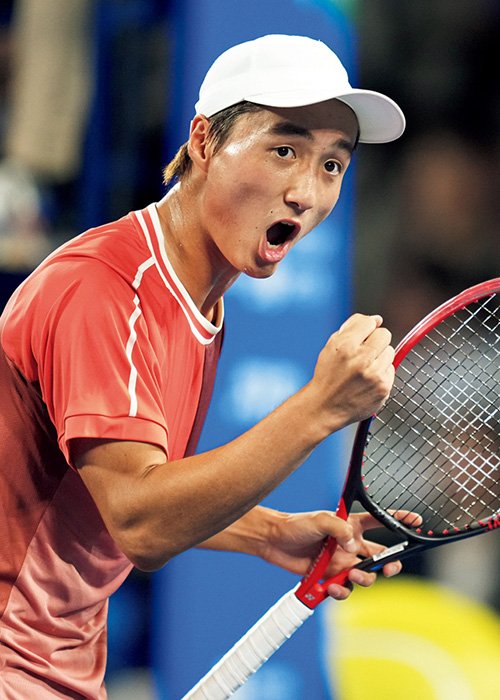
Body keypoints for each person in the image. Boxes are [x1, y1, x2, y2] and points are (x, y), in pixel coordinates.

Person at [0, 34, 406, 699]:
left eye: (333, 165)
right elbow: (141, 521)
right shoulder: (104, 290)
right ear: (203, 142)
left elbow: (113, 489)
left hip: (57, 668)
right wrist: (321, 407)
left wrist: (269, 533)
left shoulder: (193, 299)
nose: (306, 192)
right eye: (284, 150)